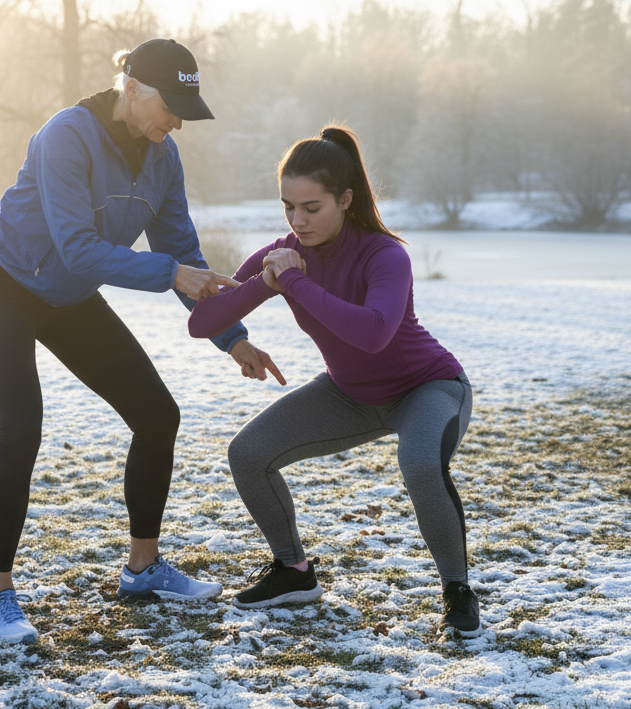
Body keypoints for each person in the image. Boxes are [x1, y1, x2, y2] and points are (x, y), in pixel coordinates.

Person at [0, 39, 285, 644]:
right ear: (132, 88)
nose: (177, 123)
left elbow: (182, 251)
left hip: (69, 296)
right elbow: (77, 247)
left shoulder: (164, 158)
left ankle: (142, 569)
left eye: (186, 112)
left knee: (157, 415)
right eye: (171, 107)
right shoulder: (66, 135)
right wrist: (171, 274)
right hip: (2, 283)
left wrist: (233, 338)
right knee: (22, 428)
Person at [188, 125, 481, 638]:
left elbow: (373, 333)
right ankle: (293, 572)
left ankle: (458, 591)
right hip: (350, 395)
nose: (298, 221)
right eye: (288, 208)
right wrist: (265, 282)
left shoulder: (385, 255)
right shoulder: (282, 253)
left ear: (345, 199)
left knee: (419, 463)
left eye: (312, 207)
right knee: (248, 453)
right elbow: (202, 322)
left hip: (429, 388)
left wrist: (293, 280)